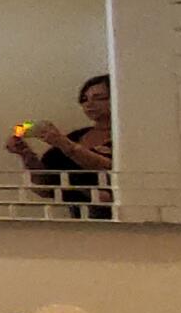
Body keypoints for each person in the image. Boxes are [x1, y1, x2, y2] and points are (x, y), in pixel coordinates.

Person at [7, 74, 113, 213]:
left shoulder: (130, 139)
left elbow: (110, 168)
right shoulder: (77, 136)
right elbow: (46, 187)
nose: (89, 104)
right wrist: (27, 155)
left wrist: (65, 144)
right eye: (84, 99)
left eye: (99, 98)